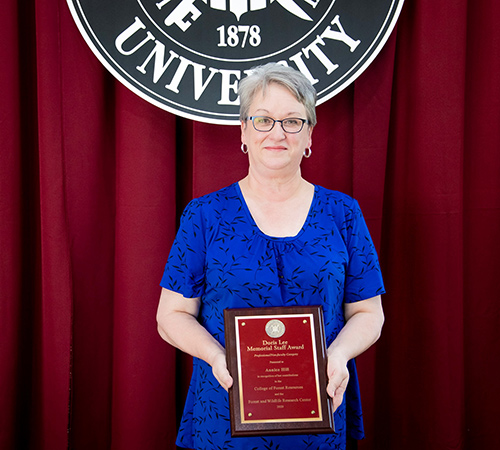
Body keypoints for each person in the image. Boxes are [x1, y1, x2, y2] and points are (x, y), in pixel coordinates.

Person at [157, 63, 385, 450]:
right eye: (263, 120)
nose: (277, 133)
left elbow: (368, 313)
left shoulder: (343, 213)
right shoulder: (205, 215)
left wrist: (340, 354)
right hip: (226, 410)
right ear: (244, 131)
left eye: (293, 121)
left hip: (320, 409)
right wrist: (216, 356)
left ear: (310, 134)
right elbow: (171, 316)